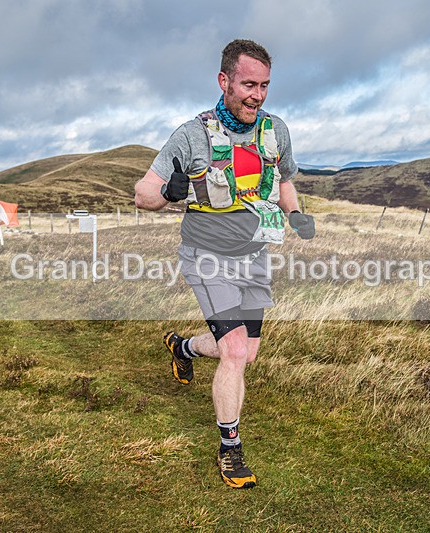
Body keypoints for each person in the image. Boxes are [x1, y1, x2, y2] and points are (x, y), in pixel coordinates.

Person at [134, 39, 316, 489]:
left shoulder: (275, 130)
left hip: (253, 256)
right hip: (207, 256)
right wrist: (169, 193)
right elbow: (142, 194)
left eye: (265, 86)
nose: (257, 95)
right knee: (235, 350)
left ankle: (184, 347)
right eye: (248, 84)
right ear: (224, 81)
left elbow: (285, 179)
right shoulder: (191, 135)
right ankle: (230, 449)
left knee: (244, 352)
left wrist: (295, 214)